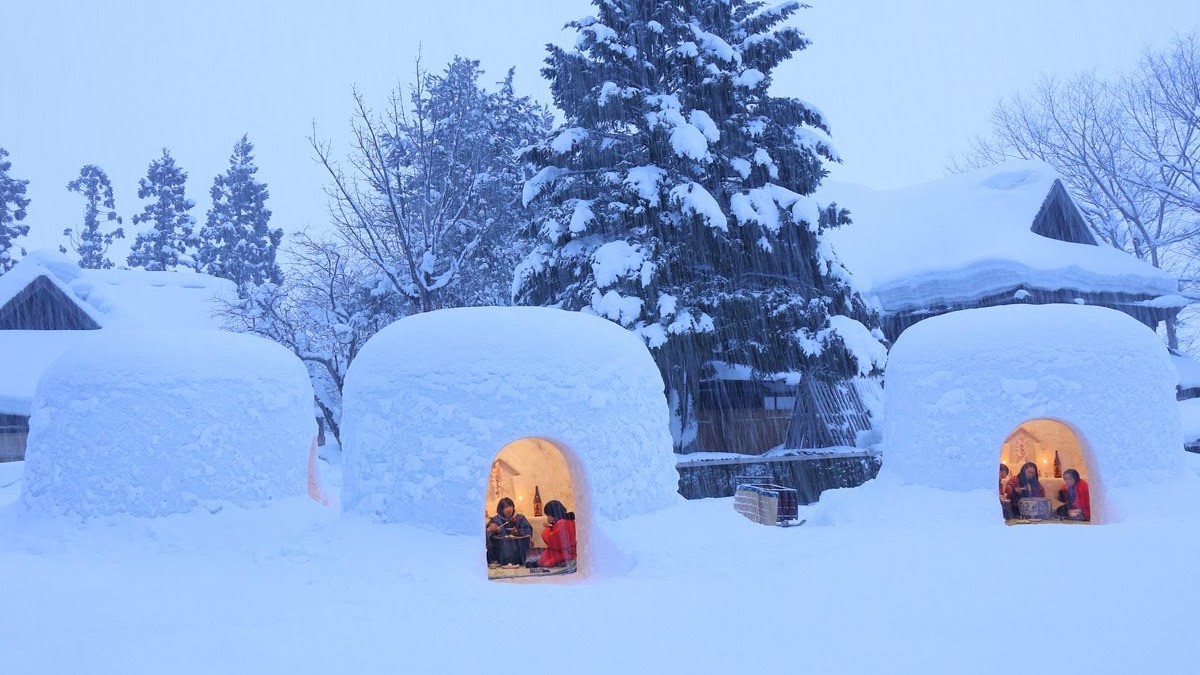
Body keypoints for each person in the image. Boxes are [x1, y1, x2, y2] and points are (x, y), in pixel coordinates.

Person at [486, 497, 533, 567]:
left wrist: (518, 532)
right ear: (501, 509)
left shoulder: (520, 518)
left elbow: (529, 531)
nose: (509, 509)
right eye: (506, 507)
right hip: (500, 551)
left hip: (518, 550)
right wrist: (493, 530)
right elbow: (486, 535)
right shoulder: (495, 520)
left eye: (510, 506)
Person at [534, 500, 577, 568]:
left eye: (548, 515)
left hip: (566, 554)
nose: (548, 518)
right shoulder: (568, 521)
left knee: (546, 559)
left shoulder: (562, 523)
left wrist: (547, 529)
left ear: (553, 514)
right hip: (568, 552)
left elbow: (552, 542)